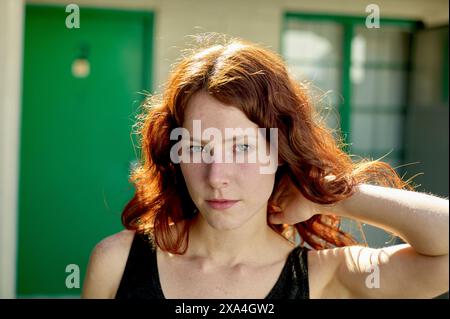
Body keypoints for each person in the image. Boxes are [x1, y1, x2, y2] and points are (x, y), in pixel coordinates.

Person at [81, 35, 449, 299]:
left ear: (279, 152)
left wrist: (328, 196)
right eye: (196, 148)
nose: (217, 177)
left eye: (242, 147)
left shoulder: (325, 276)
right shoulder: (117, 262)